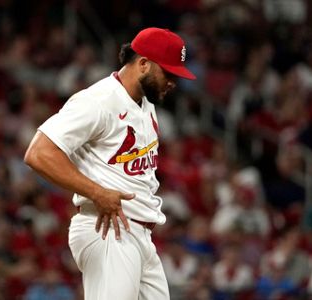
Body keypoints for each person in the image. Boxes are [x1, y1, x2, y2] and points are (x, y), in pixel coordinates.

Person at [24, 27, 196, 300]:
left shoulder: (145, 103)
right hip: (108, 230)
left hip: (138, 235)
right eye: (169, 73)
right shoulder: (98, 101)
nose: (173, 81)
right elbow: (39, 153)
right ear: (143, 64)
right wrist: (96, 191)